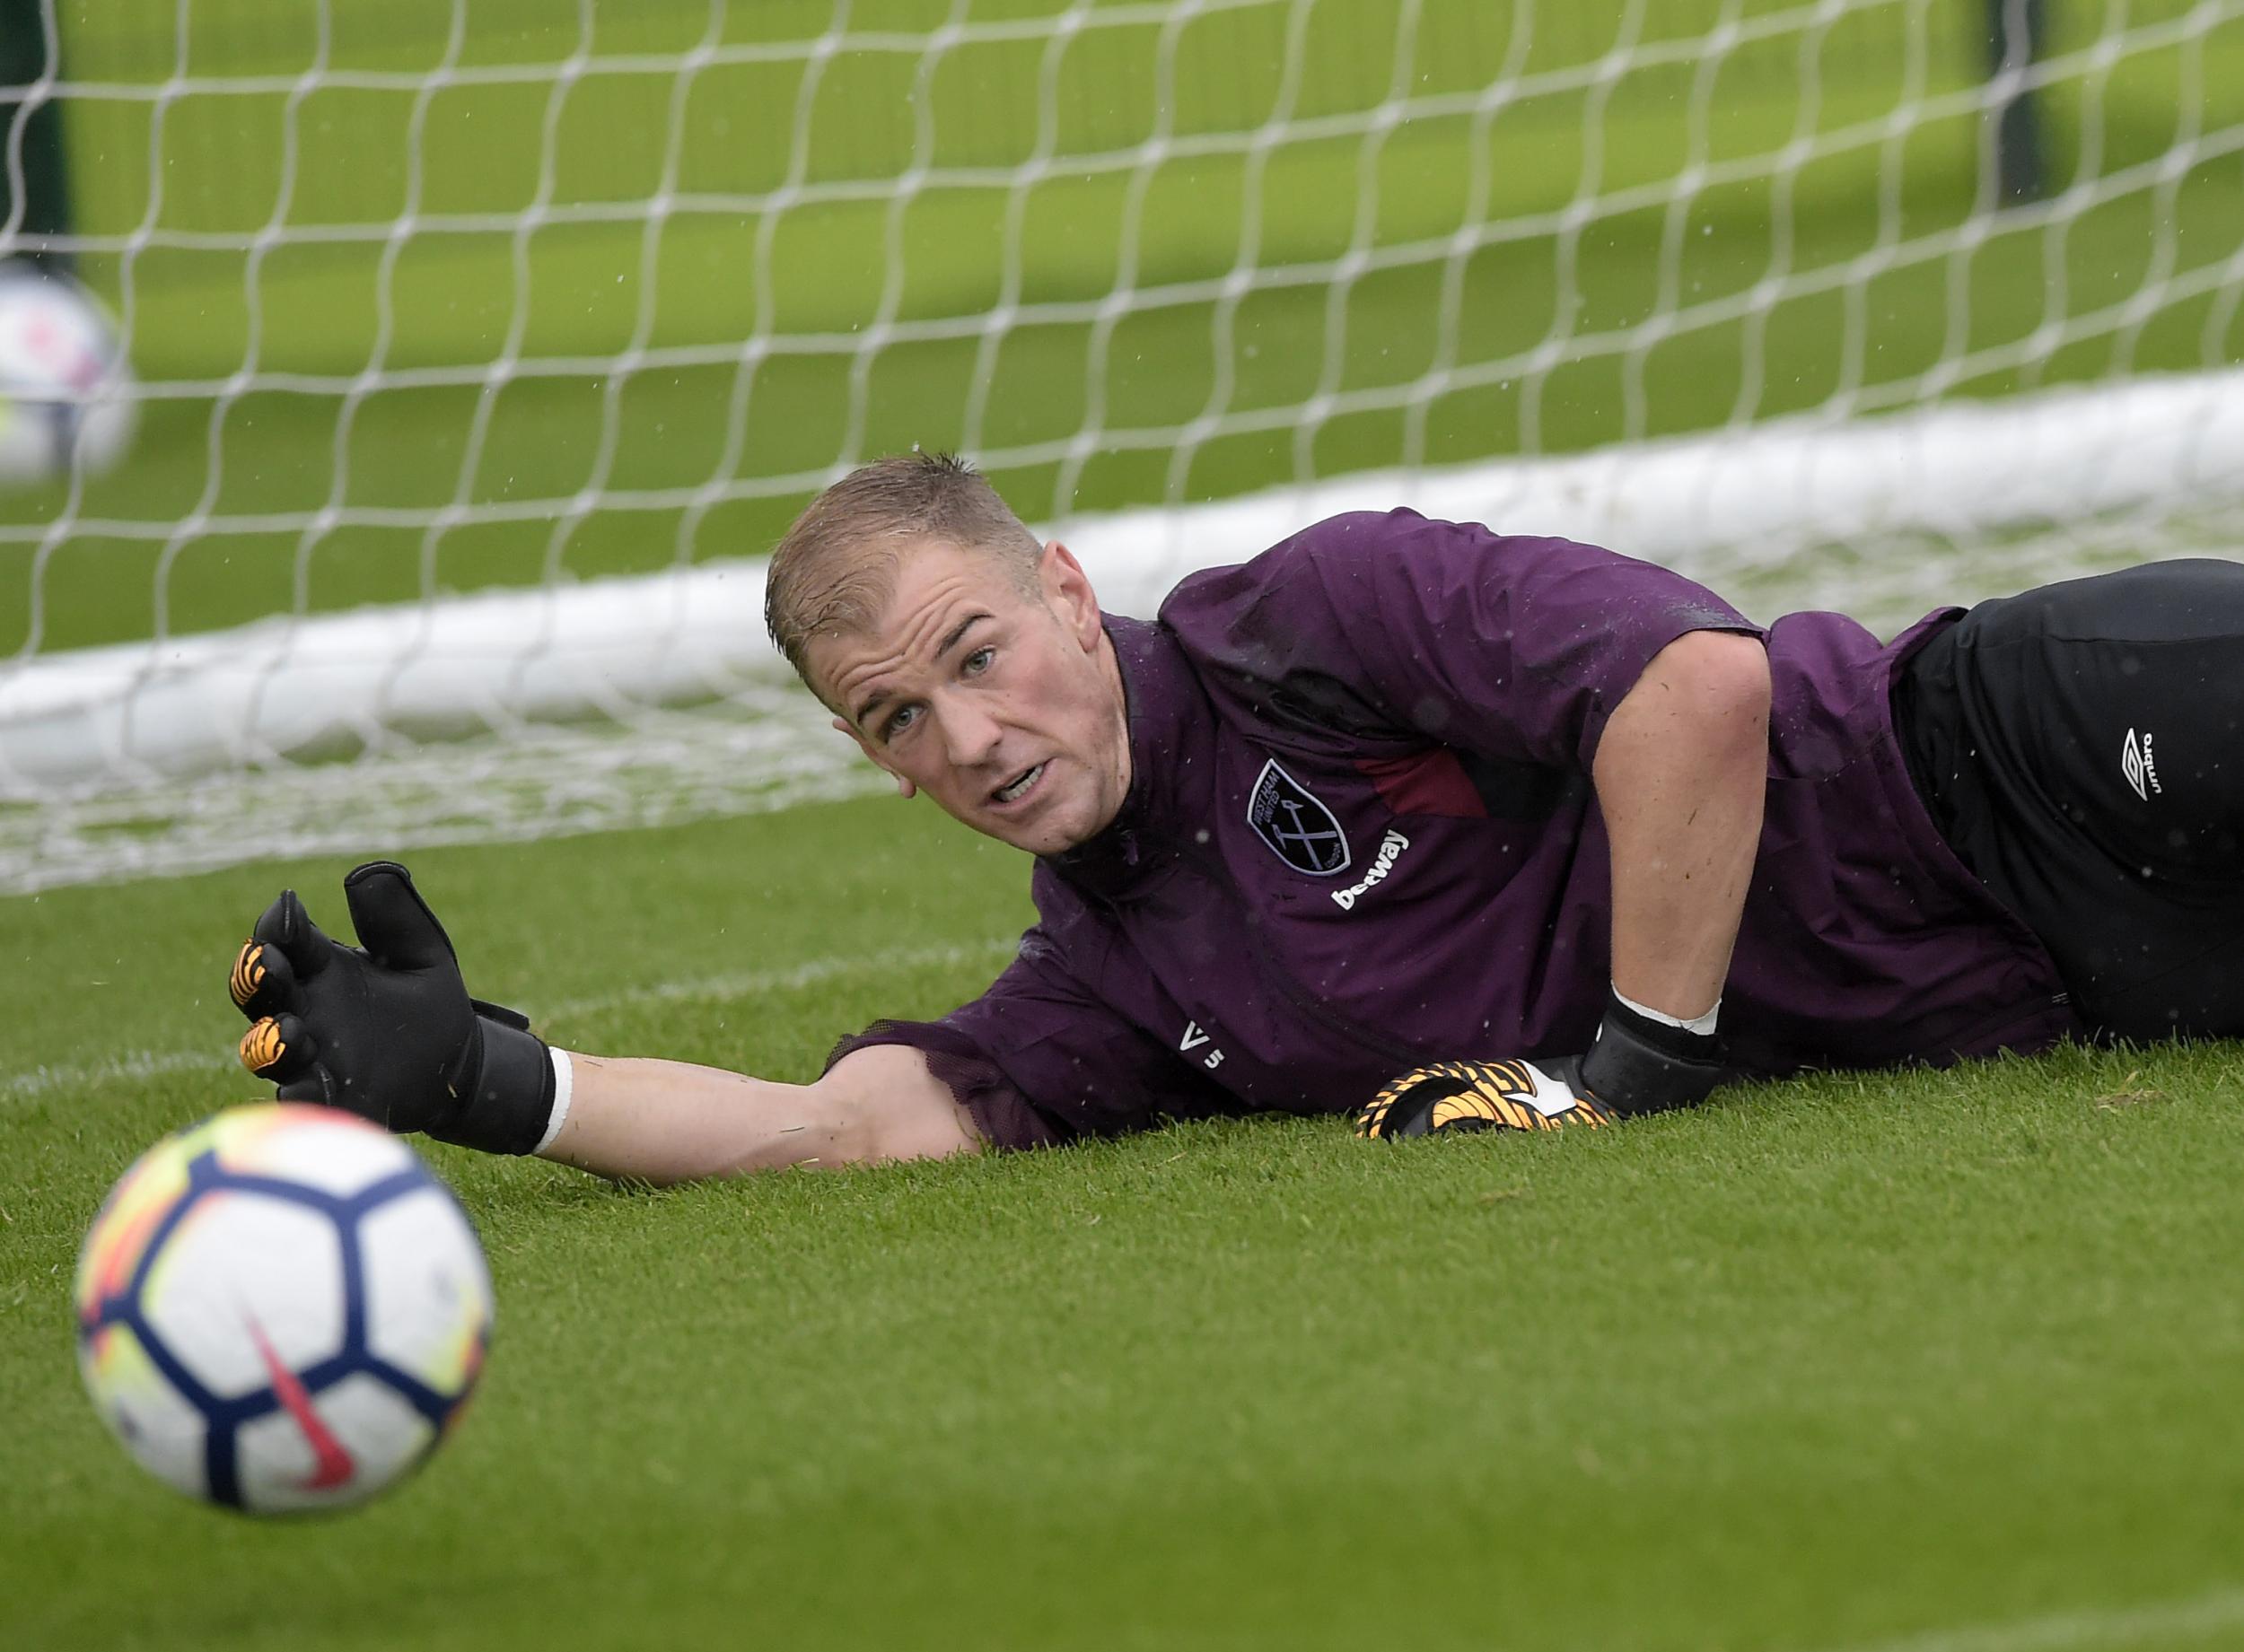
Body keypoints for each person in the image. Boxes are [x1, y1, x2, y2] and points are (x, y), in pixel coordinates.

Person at [226, 454, 2244, 1181]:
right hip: (2074, 978)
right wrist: (502, 1084)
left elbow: (1697, 692)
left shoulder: (1322, 618)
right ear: (880, 765)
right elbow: (848, 1130)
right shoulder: (1112, 984)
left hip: (2004, 747)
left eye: (978, 647)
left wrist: (1624, 1074)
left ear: (1067, 590)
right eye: (901, 714)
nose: (974, 730)